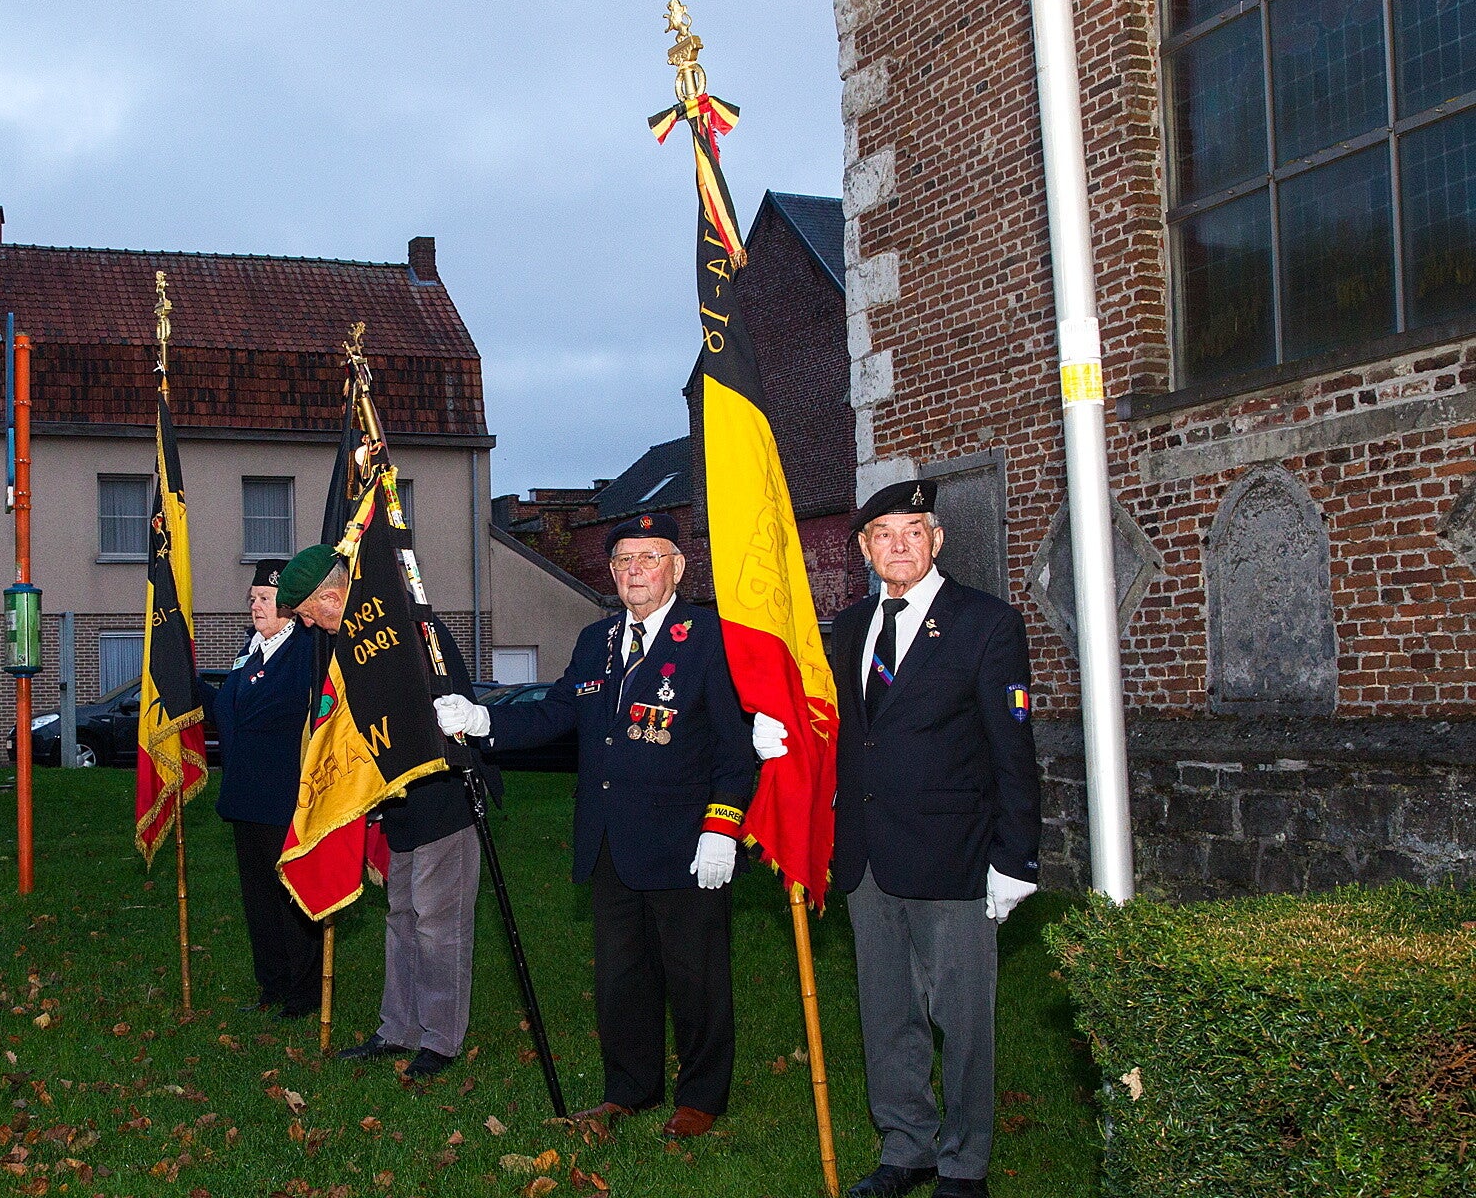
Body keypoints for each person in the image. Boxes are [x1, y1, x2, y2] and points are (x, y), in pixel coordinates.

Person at [434, 512, 759, 1138]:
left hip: (687, 842)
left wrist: (722, 826)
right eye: (623, 561)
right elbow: (558, 711)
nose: (635, 571)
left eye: (649, 558)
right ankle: (629, 1090)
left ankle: (701, 1096)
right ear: (611, 573)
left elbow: (733, 744)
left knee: (695, 976)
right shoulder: (596, 640)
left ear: (676, 568)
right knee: (621, 977)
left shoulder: (711, 638)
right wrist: (484, 721)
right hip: (610, 838)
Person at [813, 480, 1041, 1198]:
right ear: (864, 549)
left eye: (914, 531)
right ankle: (905, 1146)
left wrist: (1016, 857)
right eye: (883, 534)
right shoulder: (853, 625)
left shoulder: (986, 623)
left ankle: (964, 1164)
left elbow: (1013, 749)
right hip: (868, 856)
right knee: (888, 1014)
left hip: (955, 855)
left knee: (963, 1020)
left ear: (937, 540)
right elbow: (852, 733)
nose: (899, 545)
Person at [280, 543, 501, 1082]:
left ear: (332, 597)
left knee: (439, 926)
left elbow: (435, 716)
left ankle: (440, 1039)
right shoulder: (353, 643)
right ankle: (398, 1028)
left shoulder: (407, 632)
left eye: (309, 614)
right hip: (397, 809)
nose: (310, 626)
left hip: (442, 800)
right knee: (402, 920)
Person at [197, 559, 324, 1020]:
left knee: (292, 898)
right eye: (252, 598)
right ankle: (272, 984)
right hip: (246, 794)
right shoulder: (249, 652)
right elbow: (229, 710)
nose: (255, 606)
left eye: (265, 599)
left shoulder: (307, 651)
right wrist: (185, 681)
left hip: (286, 795)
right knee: (259, 900)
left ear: (288, 606)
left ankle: (304, 993)